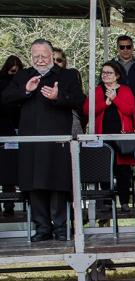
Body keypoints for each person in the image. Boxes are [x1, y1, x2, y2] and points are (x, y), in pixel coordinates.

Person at [2, 39, 84, 242]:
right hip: (31, 140)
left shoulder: (68, 75)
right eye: (35, 56)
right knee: (34, 185)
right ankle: (42, 227)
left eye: (43, 56)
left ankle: (61, 228)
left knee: (57, 184)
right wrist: (26, 91)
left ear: (51, 56)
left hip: (57, 140)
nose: (39, 60)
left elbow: (79, 101)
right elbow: (5, 99)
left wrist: (59, 96)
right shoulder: (23, 76)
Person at [83, 61, 135, 213]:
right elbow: (87, 110)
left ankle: (125, 201)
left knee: (123, 170)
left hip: (122, 137)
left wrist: (116, 99)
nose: (105, 75)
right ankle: (107, 201)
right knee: (104, 168)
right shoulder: (97, 90)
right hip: (102, 135)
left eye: (109, 73)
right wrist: (105, 103)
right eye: (104, 72)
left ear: (117, 75)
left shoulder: (125, 90)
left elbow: (131, 110)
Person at [0, 55, 23, 217]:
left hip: (15, 130)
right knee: (7, 169)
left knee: (10, 169)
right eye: (11, 70)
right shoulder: (7, 84)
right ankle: (8, 203)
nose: (13, 73)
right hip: (7, 130)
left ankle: (9, 203)